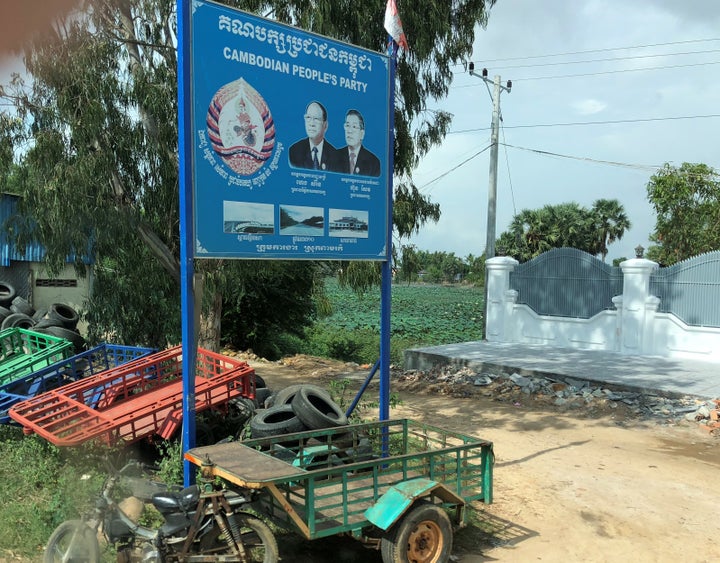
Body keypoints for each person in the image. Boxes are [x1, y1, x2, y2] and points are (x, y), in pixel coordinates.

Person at [288, 101, 339, 171]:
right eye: (308, 117)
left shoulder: (335, 156)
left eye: (316, 119)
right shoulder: (294, 151)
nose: (311, 124)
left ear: (325, 125)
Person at [337, 109, 381, 177]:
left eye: (354, 127)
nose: (349, 131)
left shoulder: (373, 162)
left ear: (362, 134)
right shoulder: (334, 156)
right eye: (347, 126)